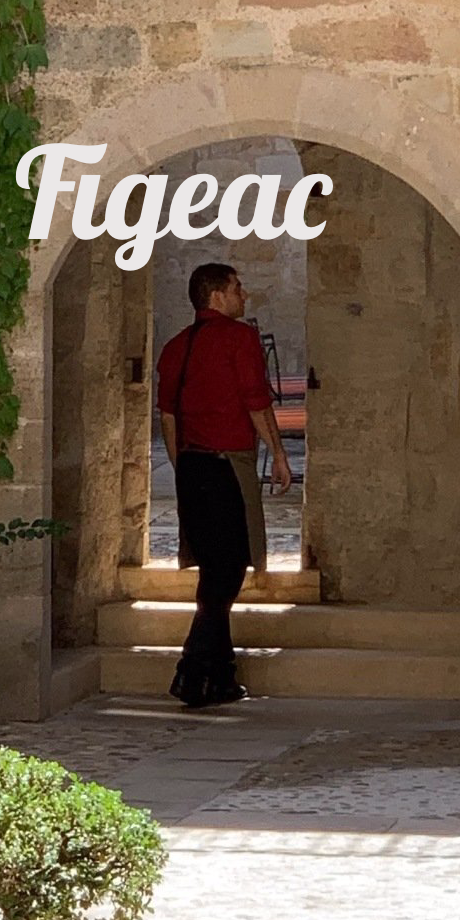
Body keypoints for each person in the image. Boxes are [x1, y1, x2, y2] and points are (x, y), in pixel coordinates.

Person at [155, 261, 294, 709]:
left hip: (191, 465)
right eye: (237, 286)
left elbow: (168, 418)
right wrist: (278, 454)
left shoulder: (175, 347)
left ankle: (220, 676)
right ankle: (192, 671)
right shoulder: (240, 338)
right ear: (216, 295)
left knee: (215, 570)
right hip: (226, 465)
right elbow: (256, 400)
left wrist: (182, 469)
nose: (244, 294)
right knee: (229, 569)